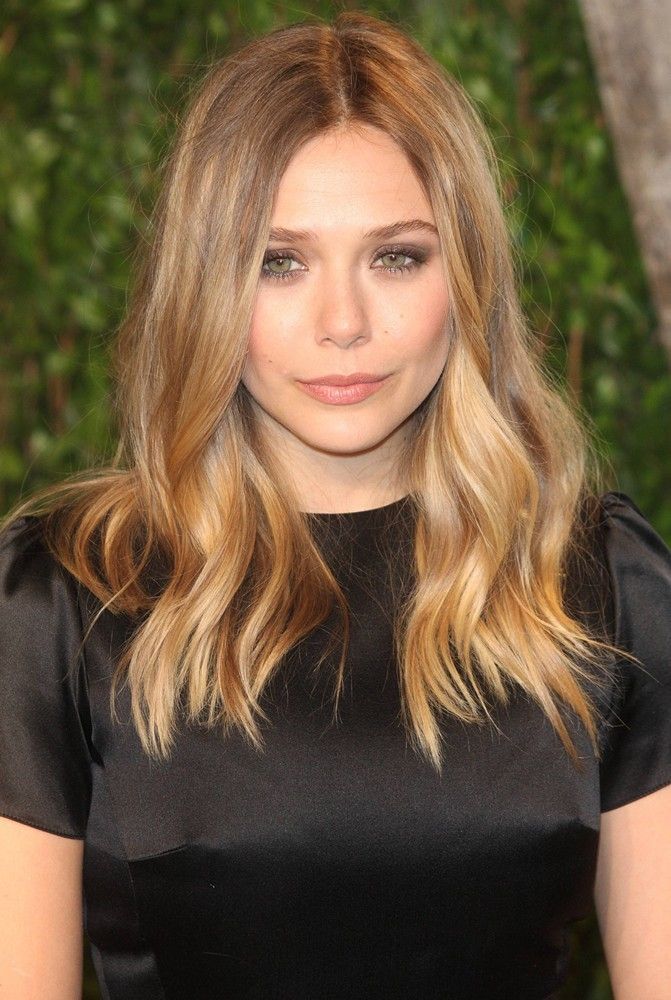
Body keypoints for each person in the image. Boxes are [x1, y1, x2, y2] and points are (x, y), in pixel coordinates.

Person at [0, 10, 669, 1000]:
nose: (344, 322)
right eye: (280, 261)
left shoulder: (598, 581)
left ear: (468, 274)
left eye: (396, 255)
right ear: (206, 283)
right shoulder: (64, 599)